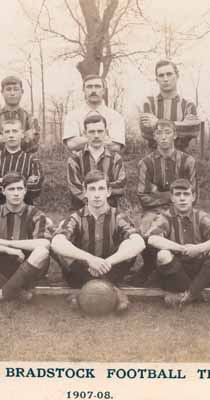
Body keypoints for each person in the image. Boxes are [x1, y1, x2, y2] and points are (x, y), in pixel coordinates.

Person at [51, 170, 145, 312]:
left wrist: (106, 263)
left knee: (129, 244)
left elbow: (139, 243)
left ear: (108, 192)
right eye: (92, 189)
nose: (96, 194)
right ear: (85, 192)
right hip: (82, 270)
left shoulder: (118, 216)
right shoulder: (76, 217)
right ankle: (115, 292)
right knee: (62, 247)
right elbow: (56, 242)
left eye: (101, 189)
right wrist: (90, 259)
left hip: (111, 268)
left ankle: (81, 294)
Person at [0, 172, 53, 305]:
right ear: (3, 191)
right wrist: (6, 250)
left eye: (19, 189)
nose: (16, 193)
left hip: (27, 268)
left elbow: (45, 243)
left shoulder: (36, 214)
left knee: (42, 252)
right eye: (11, 189)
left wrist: (9, 243)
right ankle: (17, 293)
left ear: (25, 191)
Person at [129, 119, 197, 286]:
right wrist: (170, 197)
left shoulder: (188, 161)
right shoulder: (146, 163)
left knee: (186, 225)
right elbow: (142, 195)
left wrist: (160, 193)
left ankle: (182, 266)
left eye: (168, 132)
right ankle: (150, 267)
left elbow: (193, 193)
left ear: (175, 135)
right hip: (154, 210)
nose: (164, 137)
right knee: (145, 226)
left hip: (181, 208)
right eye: (159, 133)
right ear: (154, 137)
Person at [146, 179, 210, 307]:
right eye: (178, 194)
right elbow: (152, 238)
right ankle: (198, 293)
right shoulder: (164, 217)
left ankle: (188, 294)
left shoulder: (201, 216)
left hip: (200, 268)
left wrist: (199, 248)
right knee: (163, 254)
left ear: (193, 197)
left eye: (186, 194)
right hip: (175, 270)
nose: (182, 198)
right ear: (172, 198)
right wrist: (181, 248)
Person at [139, 60, 202, 151]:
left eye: (169, 74)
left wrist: (157, 123)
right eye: (161, 75)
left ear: (177, 76)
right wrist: (182, 126)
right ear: (157, 80)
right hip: (154, 160)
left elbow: (193, 131)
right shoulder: (149, 103)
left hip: (182, 159)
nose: (165, 79)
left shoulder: (188, 105)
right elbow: (146, 132)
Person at [67, 114, 126, 210]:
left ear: (106, 132)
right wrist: (104, 190)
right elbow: (75, 187)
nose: (96, 136)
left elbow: (121, 186)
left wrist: (90, 188)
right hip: (81, 211)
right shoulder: (75, 159)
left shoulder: (116, 159)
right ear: (84, 133)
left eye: (100, 131)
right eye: (91, 132)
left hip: (110, 211)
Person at [0, 118, 43, 208]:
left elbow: (36, 188)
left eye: (15, 131)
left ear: (22, 134)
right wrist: (24, 182)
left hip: (25, 208)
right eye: (7, 132)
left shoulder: (32, 160)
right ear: (2, 137)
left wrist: (3, 180)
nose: (11, 135)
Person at [62, 74, 126, 153]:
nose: (93, 90)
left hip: (109, 163)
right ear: (84, 90)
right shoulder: (72, 116)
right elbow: (72, 144)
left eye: (97, 86)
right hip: (80, 163)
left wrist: (83, 138)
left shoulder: (115, 117)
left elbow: (116, 146)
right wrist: (103, 138)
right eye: (89, 87)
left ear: (103, 91)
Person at [0, 75, 40, 154]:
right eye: (8, 89)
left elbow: (33, 146)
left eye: (16, 89)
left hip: (25, 164)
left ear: (22, 92)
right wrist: (23, 138)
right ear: (2, 92)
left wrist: (3, 139)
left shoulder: (31, 119)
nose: (12, 93)